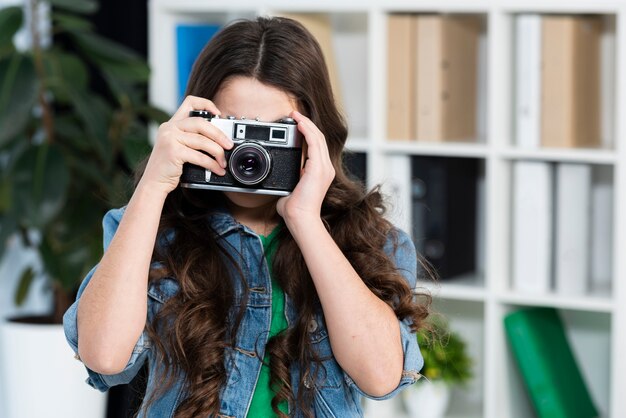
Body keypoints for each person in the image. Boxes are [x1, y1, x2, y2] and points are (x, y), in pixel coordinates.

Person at [63, 16, 431, 418]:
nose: (249, 156)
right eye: (236, 130)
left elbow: (379, 377)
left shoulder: (369, 240)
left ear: (314, 134)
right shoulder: (148, 229)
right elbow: (103, 356)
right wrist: (153, 186)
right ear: (198, 123)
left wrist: (306, 219)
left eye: (275, 134)